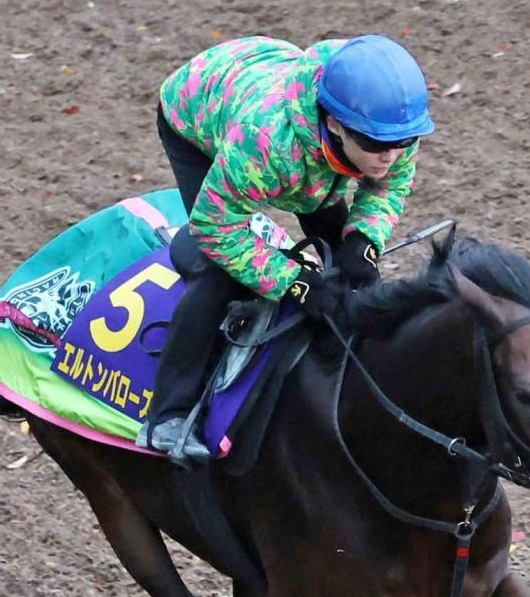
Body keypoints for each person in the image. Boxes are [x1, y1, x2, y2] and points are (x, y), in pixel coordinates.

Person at [140, 33, 435, 459]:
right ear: (335, 123)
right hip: (197, 116)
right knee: (220, 270)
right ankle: (168, 416)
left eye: (401, 144)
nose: (390, 156)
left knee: (349, 264)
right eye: (375, 145)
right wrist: (296, 283)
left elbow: (387, 186)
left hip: (307, 151)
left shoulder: (391, 126)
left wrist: (364, 239)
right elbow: (217, 227)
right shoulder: (265, 145)